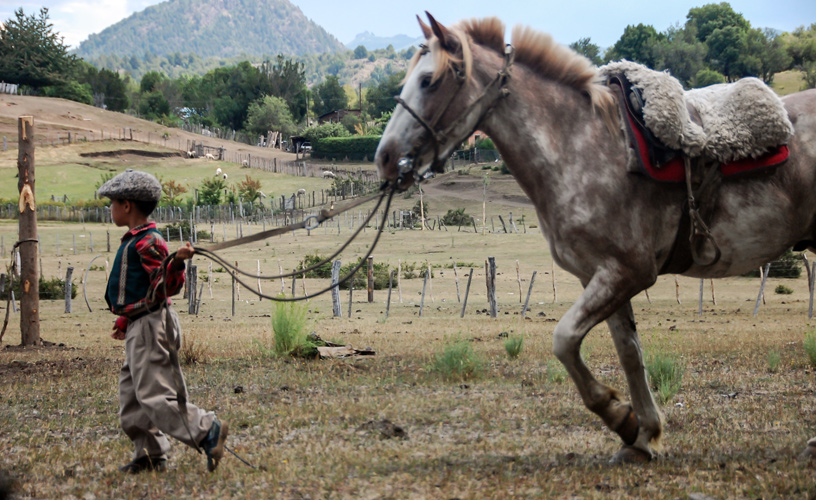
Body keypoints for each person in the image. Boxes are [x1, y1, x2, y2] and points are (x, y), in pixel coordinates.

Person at [99, 169, 228, 474]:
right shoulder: (136, 239)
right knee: (131, 396)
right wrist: (125, 319)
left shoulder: (149, 242)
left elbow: (165, 286)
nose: (110, 209)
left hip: (152, 326)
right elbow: (142, 288)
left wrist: (178, 261)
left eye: (113, 202)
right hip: (138, 324)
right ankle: (150, 454)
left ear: (127, 205)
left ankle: (206, 429)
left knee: (155, 395)